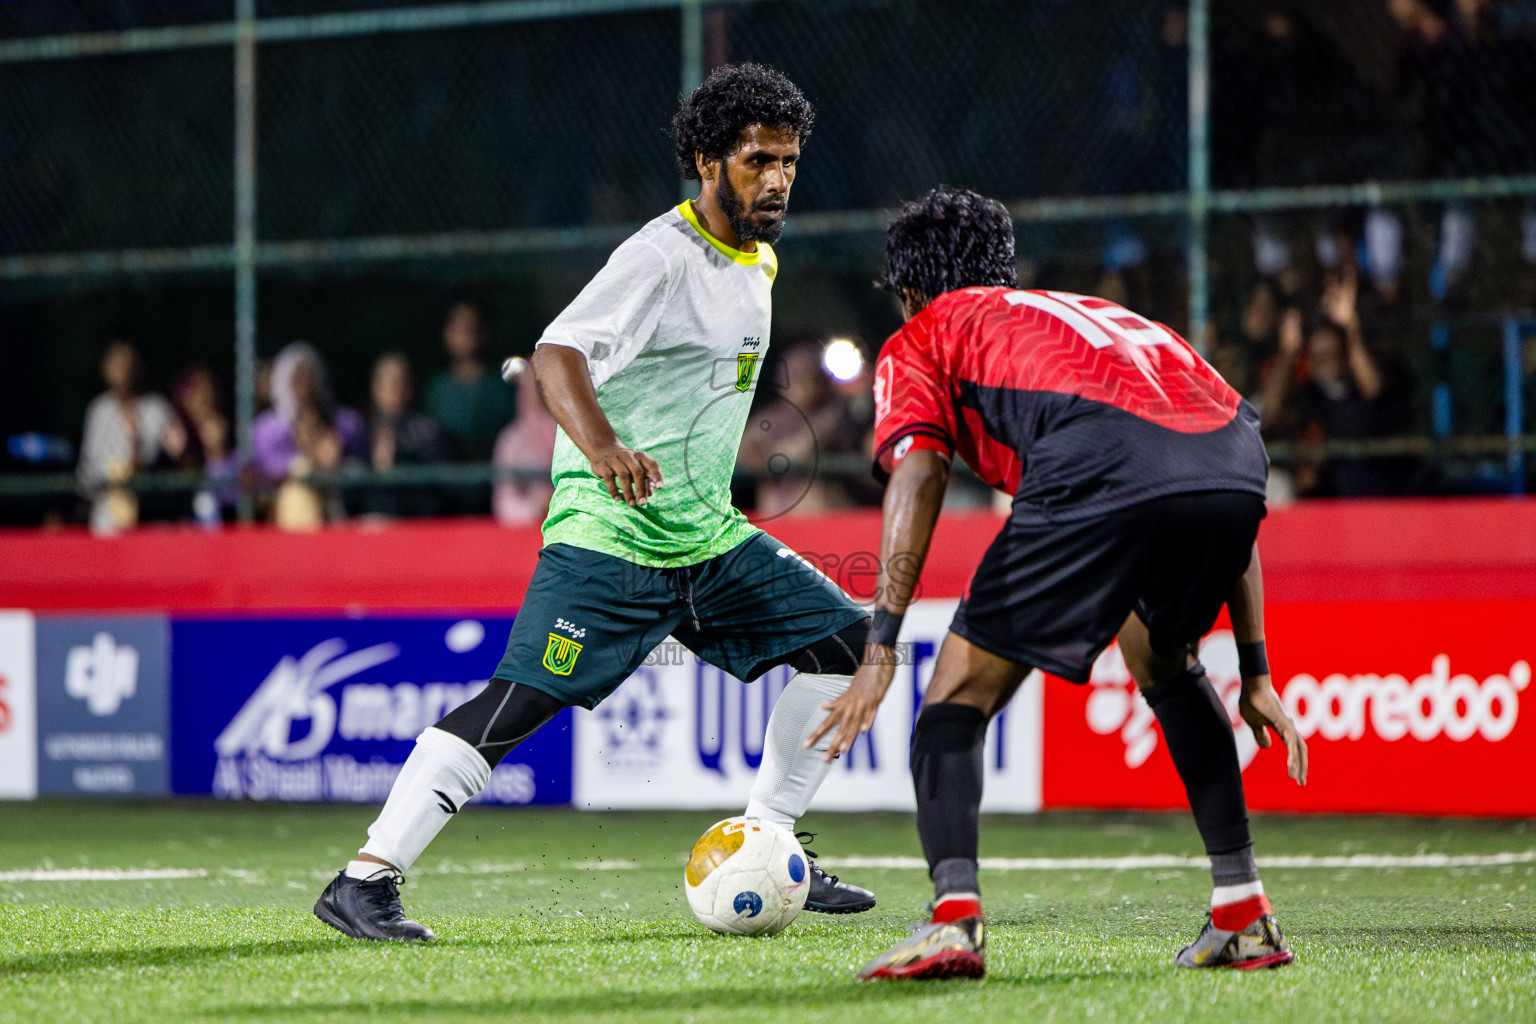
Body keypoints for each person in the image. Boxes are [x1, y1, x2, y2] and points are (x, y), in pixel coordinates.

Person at [313, 63, 876, 942]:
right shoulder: (660, 254)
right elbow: (556, 355)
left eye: (789, 162)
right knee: (518, 705)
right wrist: (604, 446)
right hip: (610, 538)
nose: (776, 179)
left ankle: (770, 844)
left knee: (851, 639)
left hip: (707, 538)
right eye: (758, 160)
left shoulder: (760, 261)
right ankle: (366, 878)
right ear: (705, 160)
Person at [811, 188, 1308, 980]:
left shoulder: (926, 331)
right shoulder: (1104, 317)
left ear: (908, 290)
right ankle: (1244, 913)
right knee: (1166, 660)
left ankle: (953, 922)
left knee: (956, 696)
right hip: (1236, 470)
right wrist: (1256, 671)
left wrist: (880, 645)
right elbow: (1223, 470)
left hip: (1100, 466)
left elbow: (920, 469)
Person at [251, 342, 367, 527]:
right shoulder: (264, 430)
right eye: (296, 377)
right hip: (284, 521)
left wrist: (336, 466)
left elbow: (361, 471)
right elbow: (255, 478)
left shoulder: (344, 424)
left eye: (308, 376)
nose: (303, 384)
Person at [77, 340, 174, 533]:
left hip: (149, 520)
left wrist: (136, 443)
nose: (123, 371)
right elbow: (88, 468)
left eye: (127, 364)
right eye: (116, 364)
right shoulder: (99, 411)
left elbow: (166, 465)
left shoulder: (157, 409)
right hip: (105, 520)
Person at [423, 298, 517, 462]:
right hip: (445, 481)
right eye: (460, 328)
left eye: (472, 327)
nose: (467, 335)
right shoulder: (436, 390)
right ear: (447, 334)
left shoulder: (501, 387)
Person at [359, 353, 447, 517]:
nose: (395, 387)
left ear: (411, 387)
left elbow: (440, 496)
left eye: (402, 381)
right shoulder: (361, 432)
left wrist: (399, 464)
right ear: (375, 387)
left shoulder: (428, 433)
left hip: (416, 527)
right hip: (371, 527)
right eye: (388, 380)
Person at [492, 361, 556, 526]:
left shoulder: (579, 435)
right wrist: (537, 508)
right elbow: (504, 502)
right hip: (527, 534)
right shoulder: (512, 440)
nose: (543, 393)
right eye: (537, 386)